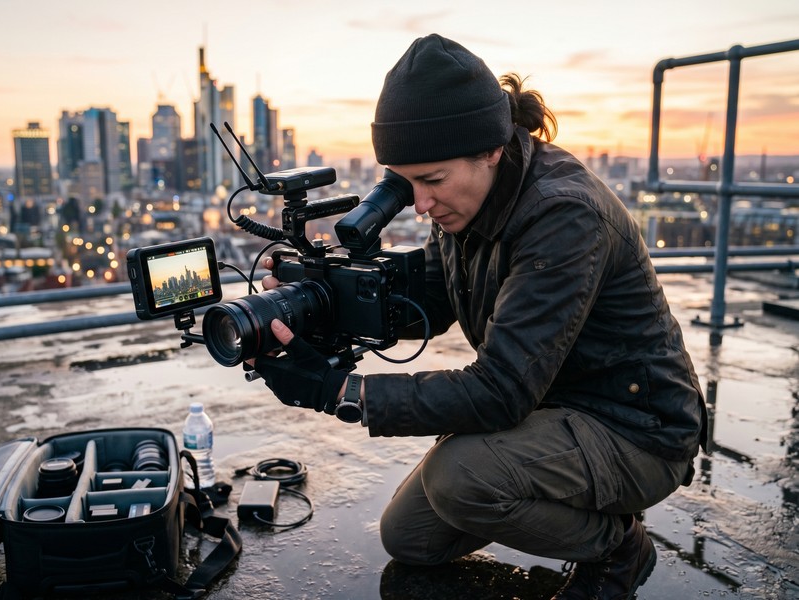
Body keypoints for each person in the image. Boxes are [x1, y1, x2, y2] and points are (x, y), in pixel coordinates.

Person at [251, 33, 707, 599]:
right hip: (553, 410)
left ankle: (617, 548)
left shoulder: (562, 215)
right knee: (410, 538)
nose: (418, 205)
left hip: (637, 429)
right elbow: (429, 303)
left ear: (490, 149)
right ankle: (554, 505)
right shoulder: (470, 205)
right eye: (404, 182)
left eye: (433, 181)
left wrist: (341, 390)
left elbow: (500, 392)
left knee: (460, 478)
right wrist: (317, 307)